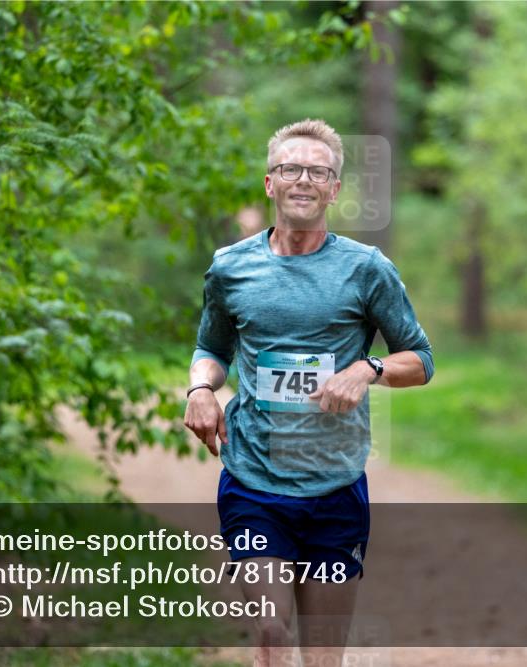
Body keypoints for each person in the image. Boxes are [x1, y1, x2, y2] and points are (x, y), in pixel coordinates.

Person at [183, 118, 434, 667]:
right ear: (270, 183)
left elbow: (421, 360)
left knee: (323, 657)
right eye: (290, 169)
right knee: (271, 633)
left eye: (317, 172)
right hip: (254, 482)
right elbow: (212, 349)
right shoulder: (230, 268)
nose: (303, 180)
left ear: (334, 189)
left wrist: (367, 369)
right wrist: (200, 388)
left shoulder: (368, 270)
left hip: (336, 486)